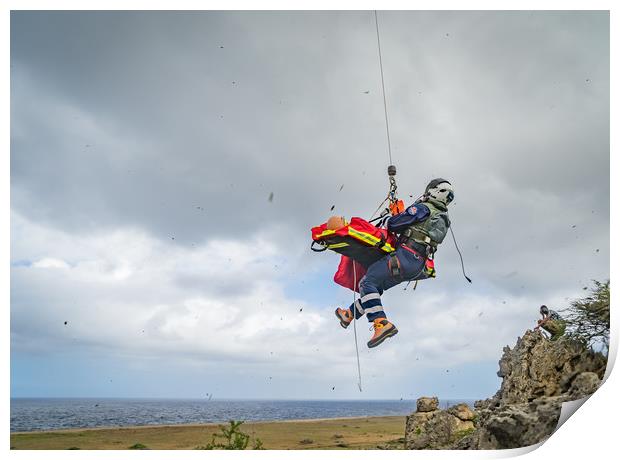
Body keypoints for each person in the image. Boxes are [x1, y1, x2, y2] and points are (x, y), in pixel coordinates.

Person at [335, 178, 454, 348]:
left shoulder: (423, 209)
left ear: (433, 191)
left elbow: (394, 224)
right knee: (374, 288)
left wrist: (390, 216)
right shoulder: (443, 218)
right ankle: (349, 313)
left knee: (367, 282)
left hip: (405, 257)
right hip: (417, 265)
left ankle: (381, 323)